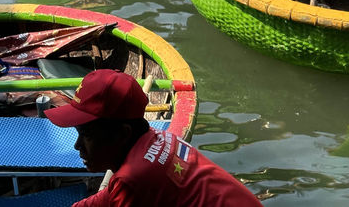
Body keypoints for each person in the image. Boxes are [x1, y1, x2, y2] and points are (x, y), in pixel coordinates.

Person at [45, 69, 261, 206]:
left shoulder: (133, 179)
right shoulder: (158, 139)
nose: (77, 146)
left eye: (87, 135)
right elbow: (110, 195)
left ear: (122, 134)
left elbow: (123, 189)